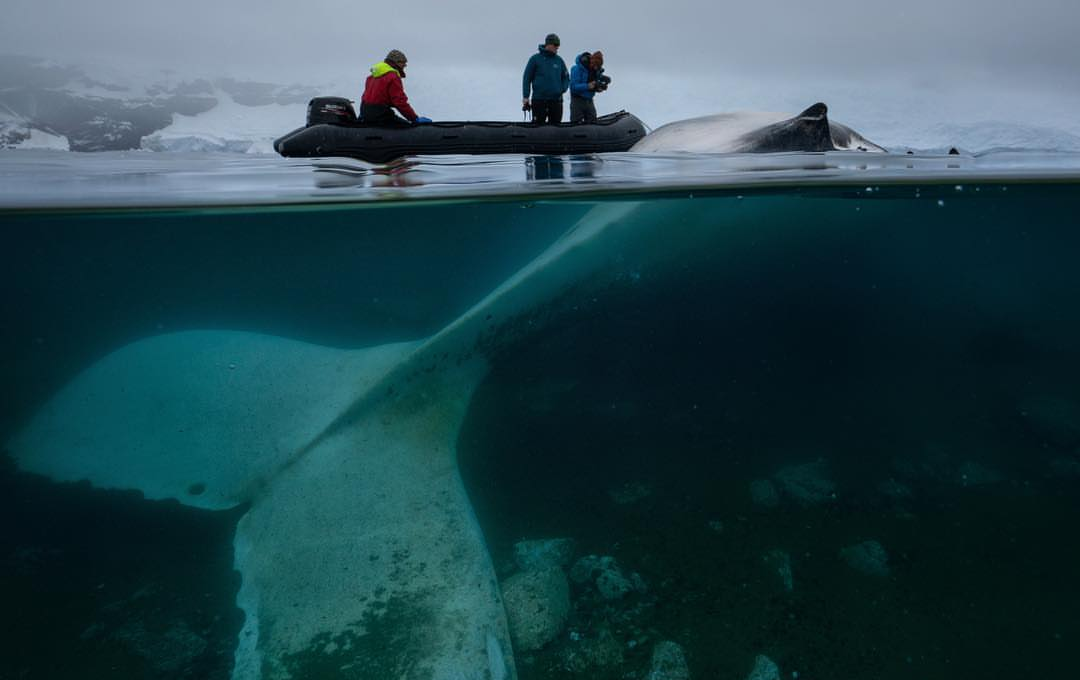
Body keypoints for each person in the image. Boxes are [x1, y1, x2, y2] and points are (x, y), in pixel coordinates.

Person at [360, 49, 432, 125]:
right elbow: (399, 101)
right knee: (407, 128)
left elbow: (366, 97)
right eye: (403, 62)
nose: (405, 65)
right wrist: (414, 118)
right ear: (395, 62)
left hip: (365, 112)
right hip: (381, 115)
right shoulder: (393, 76)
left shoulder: (372, 76)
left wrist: (363, 114)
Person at [522, 33, 569, 124]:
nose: (557, 47)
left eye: (558, 45)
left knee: (556, 128)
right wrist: (526, 96)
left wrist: (562, 89)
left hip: (556, 101)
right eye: (555, 45)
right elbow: (527, 78)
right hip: (539, 100)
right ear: (548, 44)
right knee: (537, 128)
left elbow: (566, 77)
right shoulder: (535, 59)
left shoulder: (559, 60)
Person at [569, 51, 598, 123]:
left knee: (593, 122)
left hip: (589, 100)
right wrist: (587, 86)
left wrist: (597, 88)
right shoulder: (576, 69)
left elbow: (593, 83)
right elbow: (573, 87)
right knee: (576, 124)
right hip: (577, 100)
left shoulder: (592, 70)